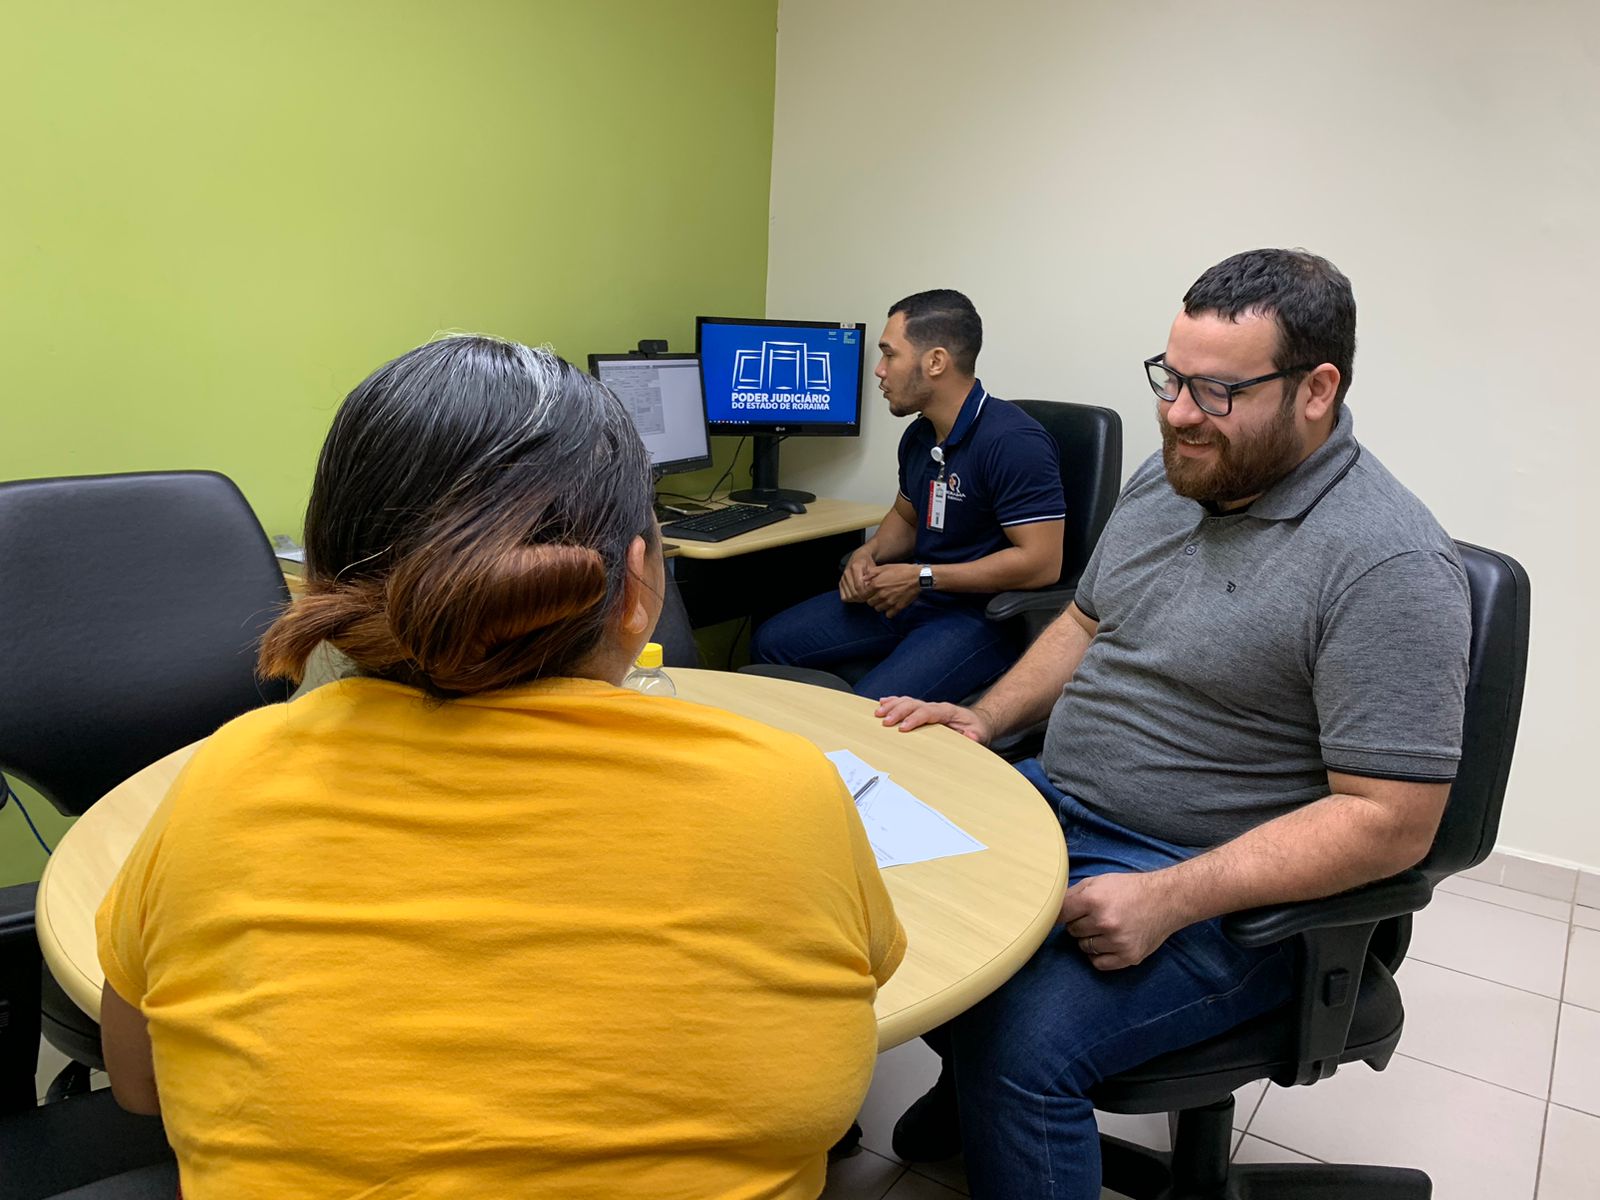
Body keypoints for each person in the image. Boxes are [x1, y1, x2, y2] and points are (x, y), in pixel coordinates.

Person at [95, 335, 905, 1200]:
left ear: (323, 580)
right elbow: (841, 1041)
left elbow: (142, 1089)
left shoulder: (227, 785)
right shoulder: (784, 789)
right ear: (639, 588)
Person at [875, 250, 1471, 1199]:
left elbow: (1393, 822)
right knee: (881, 903)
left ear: (1317, 390)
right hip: (1061, 810)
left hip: (1220, 895)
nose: (1180, 413)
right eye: (1170, 378)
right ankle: (977, 1089)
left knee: (1019, 1046)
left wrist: (1173, 898)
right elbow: (1083, 618)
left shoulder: (1387, 564)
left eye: (1216, 391)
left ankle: (997, 1085)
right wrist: (984, 720)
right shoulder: (1175, 475)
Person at [750, 289, 1066, 702]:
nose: (879, 371)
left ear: (935, 361)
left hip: (980, 617)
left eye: (889, 355)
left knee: (870, 711)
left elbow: (1042, 564)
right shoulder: (921, 435)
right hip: (915, 597)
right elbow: (906, 516)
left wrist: (924, 576)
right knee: (771, 642)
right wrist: (871, 553)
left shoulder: (1013, 441)